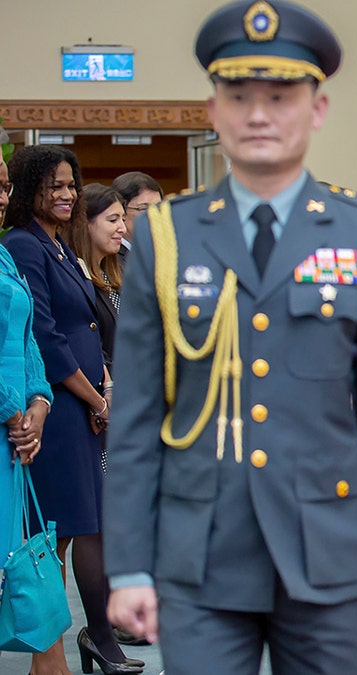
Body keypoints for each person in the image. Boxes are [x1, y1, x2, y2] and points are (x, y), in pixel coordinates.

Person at [103, 3, 357, 674]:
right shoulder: (165, 237)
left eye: (280, 96)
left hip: (326, 552)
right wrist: (129, 563)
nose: (258, 114)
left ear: (317, 109)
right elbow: (136, 416)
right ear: (213, 110)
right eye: (239, 96)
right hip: (199, 552)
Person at [2, 145, 134, 674]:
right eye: (53, 184)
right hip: (52, 415)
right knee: (49, 537)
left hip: (67, 405)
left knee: (66, 532)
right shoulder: (23, 245)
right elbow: (45, 338)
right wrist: (91, 394)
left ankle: (53, 658)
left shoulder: (57, 246)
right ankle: (48, 658)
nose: (65, 193)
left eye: (71, 184)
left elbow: (87, 324)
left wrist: (102, 386)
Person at [0, 171, 53, 568]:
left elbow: (27, 334)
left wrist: (39, 401)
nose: (3, 198)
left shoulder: (3, 253)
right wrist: (12, 412)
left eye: (4, 188)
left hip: (14, 432)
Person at [65, 185, 126, 370]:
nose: (122, 228)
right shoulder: (72, 277)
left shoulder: (118, 274)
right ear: (86, 224)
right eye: (113, 220)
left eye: (123, 219)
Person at [110, 172, 162, 268]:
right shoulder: (110, 259)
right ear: (121, 211)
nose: (154, 215)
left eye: (158, 208)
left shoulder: (165, 252)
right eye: (143, 208)